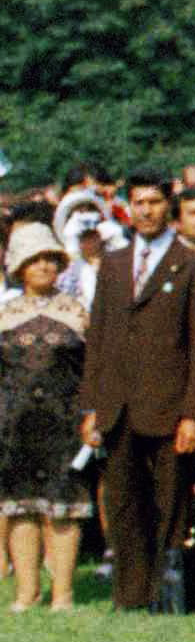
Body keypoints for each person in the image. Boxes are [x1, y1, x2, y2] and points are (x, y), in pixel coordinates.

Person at [76, 172, 195, 613]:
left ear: (168, 207)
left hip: (169, 404)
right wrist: (91, 405)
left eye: (154, 202)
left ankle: (167, 593)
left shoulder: (191, 264)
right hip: (118, 404)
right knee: (122, 500)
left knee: (171, 500)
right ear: (128, 207)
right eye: (138, 202)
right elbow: (98, 339)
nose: (146, 210)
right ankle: (130, 594)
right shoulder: (113, 265)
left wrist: (192, 414)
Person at [0, 222, 94, 611]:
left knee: (62, 509)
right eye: (34, 259)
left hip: (65, 424)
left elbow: (94, 370)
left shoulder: (77, 312)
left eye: (49, 259)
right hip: (13, 426)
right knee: (21, 508)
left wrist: (93, 414)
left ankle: (63, 593)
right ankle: (27, 592)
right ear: (19, 267)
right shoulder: (5, 315)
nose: (43, 266)